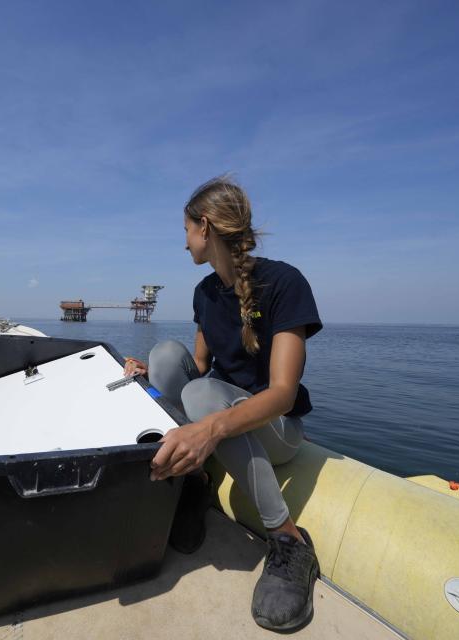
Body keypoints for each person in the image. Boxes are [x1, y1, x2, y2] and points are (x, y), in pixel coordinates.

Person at [123, 176, 323, 632]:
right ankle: (195, 481)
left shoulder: (284, 283)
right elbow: (195, 364)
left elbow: (283, 393)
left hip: (278, 428)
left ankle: (289, 540)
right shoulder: (204, 293)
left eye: (187, 231)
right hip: (222, 408)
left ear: (205, 227)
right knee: (163, 358)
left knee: (202, 393)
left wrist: (211, 429)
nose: (185, 243)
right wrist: (148, 376)